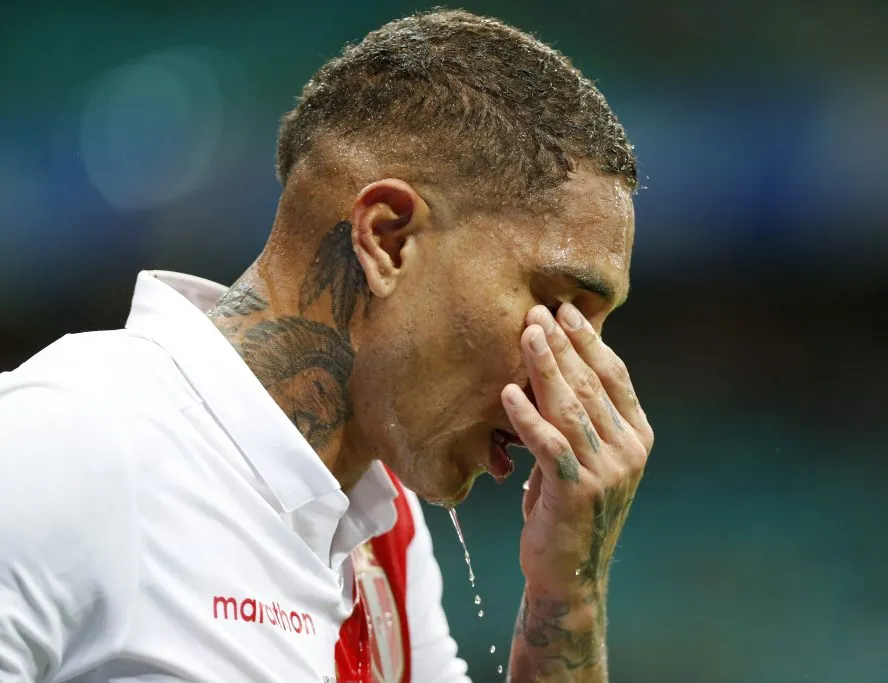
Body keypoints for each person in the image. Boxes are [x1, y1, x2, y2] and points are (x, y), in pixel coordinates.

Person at [0, 9, 653, 683]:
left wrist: (566, 596)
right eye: (559, 307)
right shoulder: (65, 445)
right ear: (389, 240)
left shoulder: (381, 529)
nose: (577, 381)